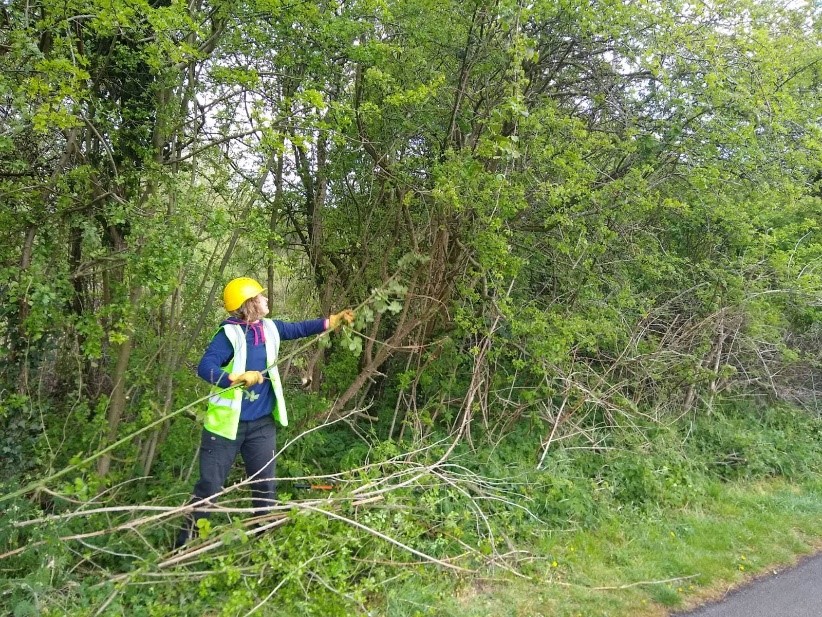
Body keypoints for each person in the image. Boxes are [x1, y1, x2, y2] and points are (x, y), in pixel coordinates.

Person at [175, 277, 354, 548]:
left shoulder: (269, 328)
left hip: (261, 426)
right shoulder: (229, 335)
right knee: (209, 487)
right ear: (249, 305)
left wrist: (333, 320)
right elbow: (205, 367)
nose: (266, 299)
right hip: (225, 430)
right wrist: (234, 378)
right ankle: (184, 546)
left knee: (265, 487)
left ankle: (263, 544)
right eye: (260, 296)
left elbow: (299, 328)